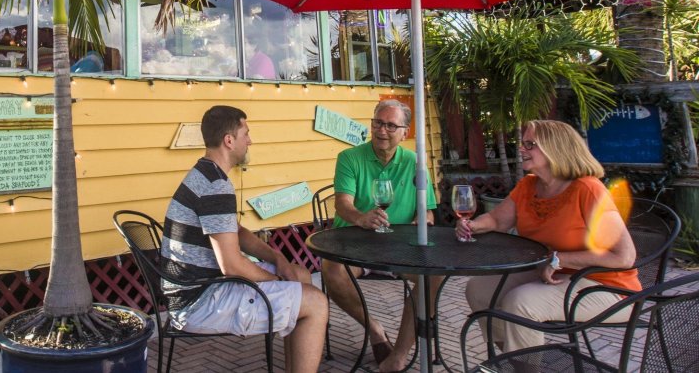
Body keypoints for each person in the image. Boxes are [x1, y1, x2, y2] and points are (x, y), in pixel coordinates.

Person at [161, 105, 328, 373]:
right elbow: (232, 266)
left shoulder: (205, 174)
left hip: (197, 289)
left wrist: (279, 259)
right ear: (229, 140)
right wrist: (276, 282)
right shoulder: (215, 186)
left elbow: (236, 232)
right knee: (317, 303)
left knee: (299, 276)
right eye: (246, 133)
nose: (250, 140)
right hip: (199, 302)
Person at [457, 119, 638, 353]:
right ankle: (512, 361)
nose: (521, 149)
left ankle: (525, 368)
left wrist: (559, 259)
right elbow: (497, 220)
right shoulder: (529, 185)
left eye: (530, 144)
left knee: (521, 303)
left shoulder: (587, 189)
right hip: (550, 274)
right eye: (522, 144)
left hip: (606, 286)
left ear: (556, 148)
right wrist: (473, 225)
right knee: (479, 289)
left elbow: (623, 256)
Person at [323, 99, 440, 372]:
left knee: (433, 277)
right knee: (331, 271)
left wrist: (420, 222)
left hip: (400, 247)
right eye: (377, 123)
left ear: (404, 132)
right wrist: (361, 218)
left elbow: (428, 213)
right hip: (356, 244)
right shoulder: (350, 158)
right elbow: (343, 204)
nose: (382, 130)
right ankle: (374, 328)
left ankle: (399, 355)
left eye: (390, 125)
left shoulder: (415, 162)